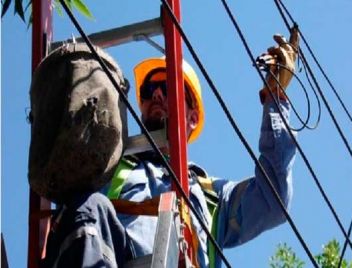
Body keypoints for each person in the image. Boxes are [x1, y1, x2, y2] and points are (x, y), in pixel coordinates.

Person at [42, 27, 299, 268]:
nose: (157, 95)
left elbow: (273, 199)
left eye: (168, 88)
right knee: (89, 206)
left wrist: (275, 96)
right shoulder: (107, 164)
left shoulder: (213, 197)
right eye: (150, 89)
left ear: (193, 117)